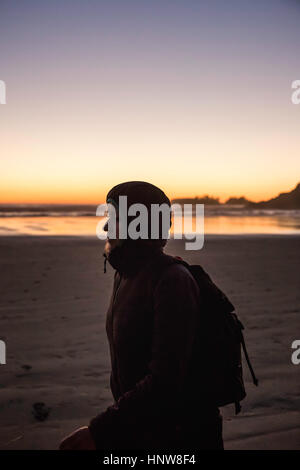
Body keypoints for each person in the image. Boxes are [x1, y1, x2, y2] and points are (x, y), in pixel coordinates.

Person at [59, 181, 223, 450]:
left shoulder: (172, 281)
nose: (106, 227)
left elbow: (165, 382)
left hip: (182, 439)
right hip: (140, 430)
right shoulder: (125, 274)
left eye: (113, 218)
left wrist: (98, 432)